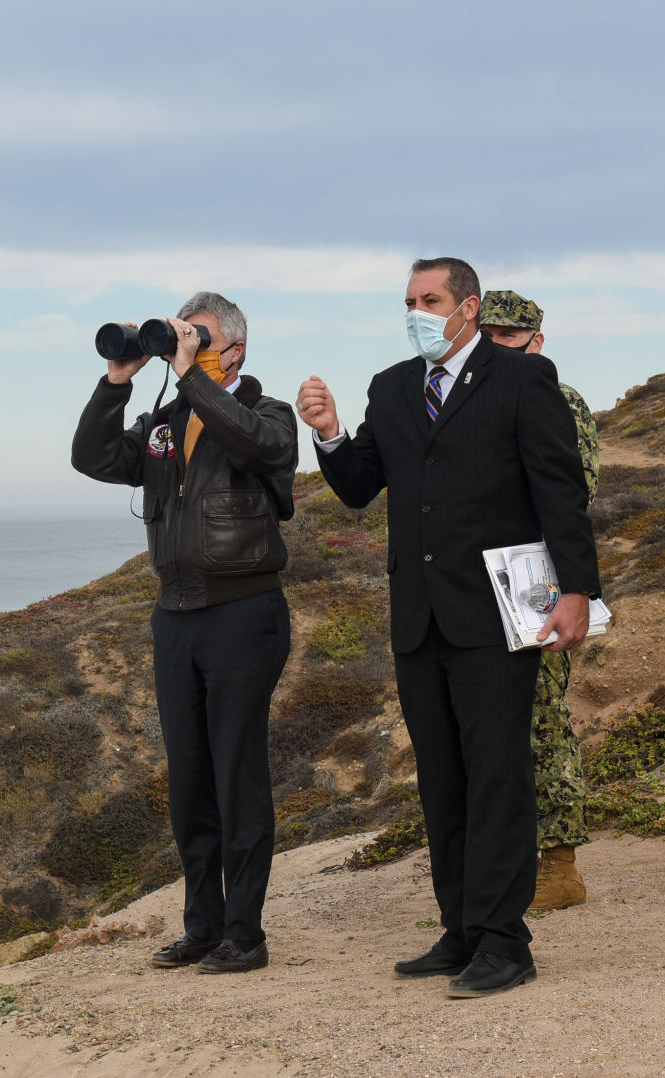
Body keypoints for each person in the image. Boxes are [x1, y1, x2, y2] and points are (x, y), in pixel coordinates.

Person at [297, 258, 600, 998]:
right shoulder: (392, 386)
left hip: (495, 613)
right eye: (408, 301)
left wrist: (577, 592)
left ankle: (505, 941)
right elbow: (360, 484)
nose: (416, 313)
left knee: (497, 775)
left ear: (467, 307)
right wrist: (330, 433)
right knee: (442, 779)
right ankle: (461, 928)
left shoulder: (522, 378)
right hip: (419, 616)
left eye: (429, 300)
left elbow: (559, 490)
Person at [71, 291, 297, 975]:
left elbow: (250, 441)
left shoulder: (268, 414)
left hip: (243, 614)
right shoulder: (164, 424)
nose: (183, 344)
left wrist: (191, 374)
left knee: (236, 773)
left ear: (235, 349)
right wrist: (118, 380)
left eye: (197, 335)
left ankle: (245, 933)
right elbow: (92, 456)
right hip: (174, 618)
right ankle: (202, 926)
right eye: (179, 334)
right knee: (190, 780)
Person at [476, 290, 600, 911]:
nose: (495, 345)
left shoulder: (559, 399)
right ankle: (503, 855)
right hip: (471, 588)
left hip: (532, 588)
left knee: (541, 719)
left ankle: (559, 864)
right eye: (487, 334)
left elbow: (575, 490)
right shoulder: (461, 396)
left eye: (508, 336)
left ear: (536, 343)